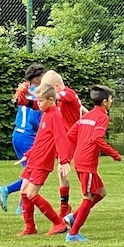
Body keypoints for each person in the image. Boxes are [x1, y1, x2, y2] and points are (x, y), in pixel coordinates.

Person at [63, 85, 121, 242]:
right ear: (104, 102)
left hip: (80, 159)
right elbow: (97, 138)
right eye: (111, 99)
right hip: (86, 162)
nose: (111, 102)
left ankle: (73, 217)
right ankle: (73, 234)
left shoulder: (86, 116)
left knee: (101, 193)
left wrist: (81, 146)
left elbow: (71, 133)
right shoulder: (102, 117)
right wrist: (114, 154)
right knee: (88, 197)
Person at [16, 83, 71, 237]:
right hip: (34, 159)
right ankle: (30, 228)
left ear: (51, 100)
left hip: (42, 161)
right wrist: (29, 154)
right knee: (24, 191)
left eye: (41, 101)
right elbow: (41, 139)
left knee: (31, 194)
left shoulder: (55, 116)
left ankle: (59, 224)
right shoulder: (46, 113)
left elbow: (61, 138)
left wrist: (64, 160)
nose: (38, 104)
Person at [0, 62, 46, 214]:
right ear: (36, 79)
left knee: (29, 172)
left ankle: (22, 206)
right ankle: (10, 193)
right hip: (28, 137)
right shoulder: (39, 94)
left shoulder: (24, 92)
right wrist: (43, 132)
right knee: (33, 173)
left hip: (17, 135)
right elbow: (32, 120)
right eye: (44, 76)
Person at [39, 70, 83, 221]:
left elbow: (54, 96)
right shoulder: (68, 96)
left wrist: (35, 94)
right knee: (61, 172)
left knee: (63, 171)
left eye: (50, 89)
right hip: (65, 138)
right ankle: (65, 207)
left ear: (57, 86)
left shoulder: (67, 94)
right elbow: (80, 107)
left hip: (71, 139)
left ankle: (65, 208)